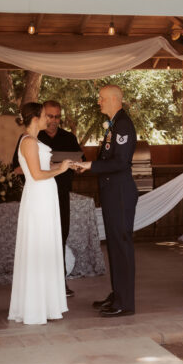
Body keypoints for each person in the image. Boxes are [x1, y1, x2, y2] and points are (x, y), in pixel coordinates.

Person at [72, 84, 138, 318]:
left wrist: (91, 165)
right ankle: (118, 293)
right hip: (112, 192)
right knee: (114, 245)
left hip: (120, 193)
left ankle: (125, 302)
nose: (98, 102)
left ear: (113, 99)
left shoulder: (123, 125)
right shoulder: (114, 124)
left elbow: (120, 162)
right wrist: (90, 167)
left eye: (101, 98)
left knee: (121, 246)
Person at [10, 99, 84, 297]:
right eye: (47, 115)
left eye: (56, 116)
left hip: (58, 193)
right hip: (40, 194)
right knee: (40, 241)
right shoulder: (30, 139)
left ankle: (56, 284)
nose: (52, 120)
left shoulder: (68, 137)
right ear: (37, 117)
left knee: (57, 237)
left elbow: (79, 161)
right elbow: (22, 169)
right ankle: (39, 290)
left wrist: (68, 165)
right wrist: (57, 167)